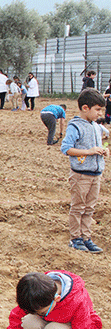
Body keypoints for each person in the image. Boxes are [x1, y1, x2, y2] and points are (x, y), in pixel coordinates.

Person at [60, 88, 107, 253]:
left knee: (89, 208)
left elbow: (98, 143)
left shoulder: (96, 126)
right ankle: (75, 238)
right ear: (85, 108)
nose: (99, 113)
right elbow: (66, 148)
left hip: (96, 175)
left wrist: (102, 150)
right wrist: (89, 152)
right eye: (97, 109)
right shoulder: (75, 126)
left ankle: (86, 238)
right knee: (78, 207)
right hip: (81, 175)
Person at [7, 271, 102, 329]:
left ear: (57, 299)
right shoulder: (36, 289)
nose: (36, 313)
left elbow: (82, 327)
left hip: (73, 324)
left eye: (41, 312)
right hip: (48, 319)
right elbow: (17, 316)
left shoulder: (77, 300)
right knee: (29, 321)